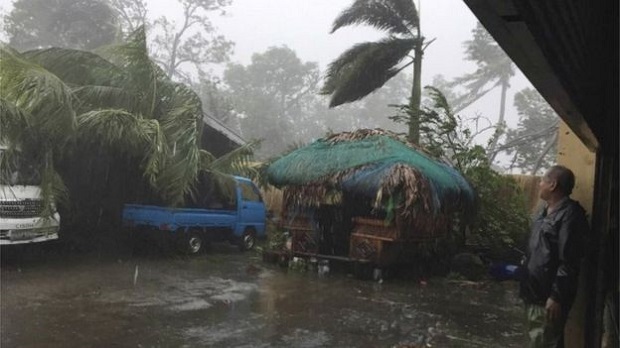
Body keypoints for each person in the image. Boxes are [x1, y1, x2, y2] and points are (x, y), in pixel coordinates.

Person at [520, 165, 588, 348]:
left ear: (553, 185)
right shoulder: (544, 211)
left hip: (548, 297)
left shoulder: (570, 216)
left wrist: (557, 296)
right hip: (534, 293)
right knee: (539, 339)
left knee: (544, 341)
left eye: (542, 180)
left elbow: (570, 261)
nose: (539, 183)